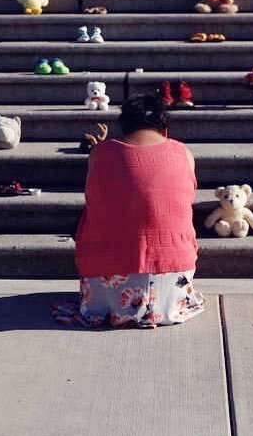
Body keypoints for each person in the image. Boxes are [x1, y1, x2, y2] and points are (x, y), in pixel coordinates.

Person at [52, 94, 206, 328]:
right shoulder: (183, 153)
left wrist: (104, 148)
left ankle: (106, 303)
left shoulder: (100, 153)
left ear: (124, 124)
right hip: (174, 274)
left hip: (108, 273)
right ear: (164, 125)